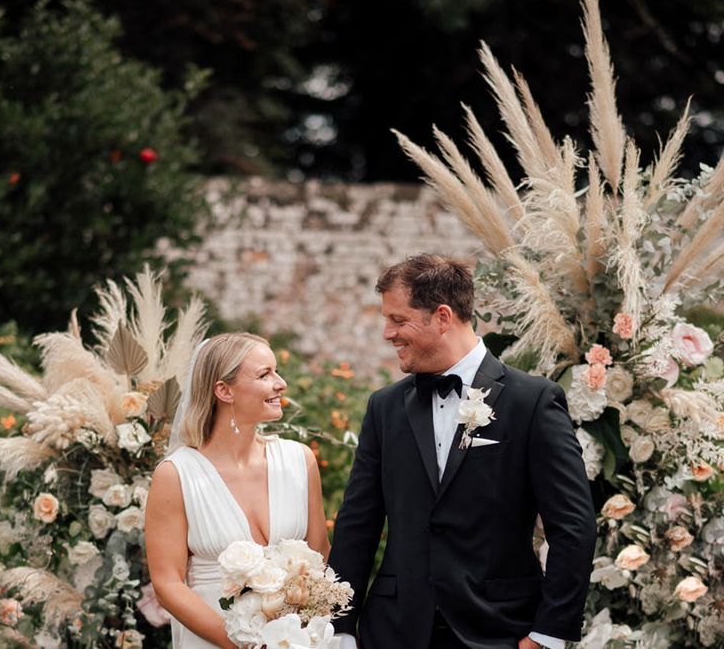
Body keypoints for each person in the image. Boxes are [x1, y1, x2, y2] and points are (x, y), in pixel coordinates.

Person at [329, 254, 596, 649]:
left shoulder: (532, 402)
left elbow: (573, 525)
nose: (388, 333)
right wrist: (340, 627)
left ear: (442, 317)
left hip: (500, 630)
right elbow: (357, 524)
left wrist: (548, 633)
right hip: (394, 632)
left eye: (398, 320)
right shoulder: (384, 407)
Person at [145, 332, 330, 648]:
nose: (281, 383)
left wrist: (298, 631)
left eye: (275, 371)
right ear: (223, 390)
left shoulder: (299, 460)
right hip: (212, 640)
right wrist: (245, 644)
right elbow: (168, 583)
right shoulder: (177, 474)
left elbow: (320, 554)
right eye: (264, 374)